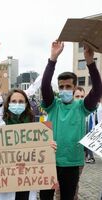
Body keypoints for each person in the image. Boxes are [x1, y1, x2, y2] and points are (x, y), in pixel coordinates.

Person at [40, 40, 102, 200]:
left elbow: (97, 90)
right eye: (61, 87)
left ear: (75, 88)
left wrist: (90, 62)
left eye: (68, 87)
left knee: (68, 197)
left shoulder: (82, 107)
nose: (64, 90)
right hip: (49, 160)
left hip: (72, 163)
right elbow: (45, 85)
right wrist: (53, 59)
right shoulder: (53, 105)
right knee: (46, 197)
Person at [0, 42, 39, 200]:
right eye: (14, 101)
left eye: (21, 102)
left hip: (26, 181)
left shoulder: (33, 127)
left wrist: (48, 147)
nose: (17, 104)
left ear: (27, 105)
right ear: (7, 104)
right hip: (5, 184)